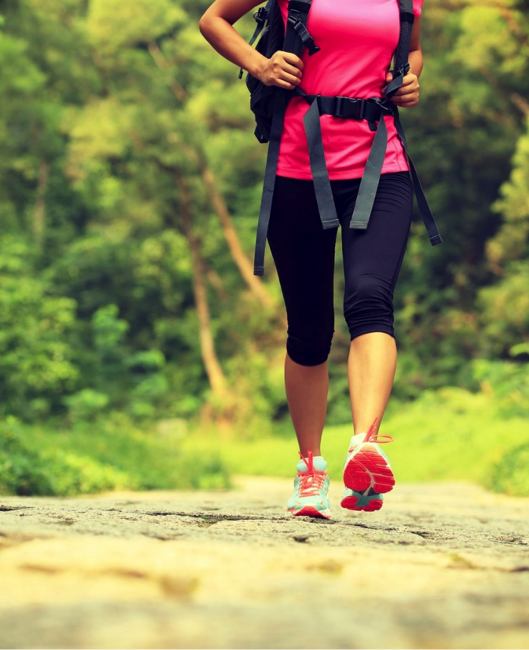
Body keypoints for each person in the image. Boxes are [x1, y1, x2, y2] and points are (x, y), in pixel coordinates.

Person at [199, 0, 425, 518]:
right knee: (309, 328)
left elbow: (411, 51)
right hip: (298, 166)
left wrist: (410, 79)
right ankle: (309, 469)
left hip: (381, 164)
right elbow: (213, 18)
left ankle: (364, 446)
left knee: (371, 298)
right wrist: (261, 64)